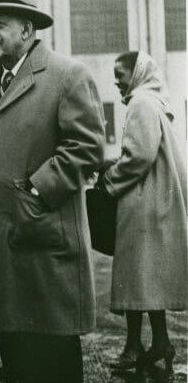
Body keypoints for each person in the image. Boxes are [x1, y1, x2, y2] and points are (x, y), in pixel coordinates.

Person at [0, 0, 105, 383]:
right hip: (1, 258)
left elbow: (87, 149)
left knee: (50, 363)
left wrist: (33, 192)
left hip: (45, 259)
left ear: (26, 29)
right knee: (16, 364)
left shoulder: (67, 76)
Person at [100, 51, 187, 373]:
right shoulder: (156, 103)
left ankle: (134, 348)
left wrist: (109, 179)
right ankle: (159, 342)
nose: (117, 80)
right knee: (147, 279)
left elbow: (138, 155)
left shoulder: (140, 103)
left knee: (135, 277)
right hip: (154, 202)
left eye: (120, 74)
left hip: (142, 204)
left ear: (136, 75)